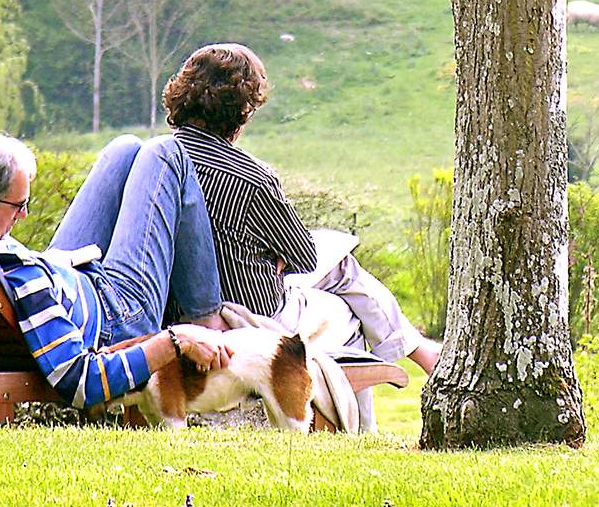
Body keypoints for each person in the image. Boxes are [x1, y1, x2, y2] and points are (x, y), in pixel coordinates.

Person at [161, 42, 442, 374]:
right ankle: (408, 366)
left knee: (338, 272)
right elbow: (305, 258)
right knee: (344, 289)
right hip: (255, 313)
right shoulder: (251, 178)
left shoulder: (158, 165)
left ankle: (417, 350)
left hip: (176, 312)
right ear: (243, 108)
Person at [0, 129, 232, 409]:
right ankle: (208, 322)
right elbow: (81, 381)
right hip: (118, 320)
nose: (24, 215)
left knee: (124, 150)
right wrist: (177, 339)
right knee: (166, 153)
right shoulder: (22, 278)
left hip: (64, 280)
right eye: (18, 205)